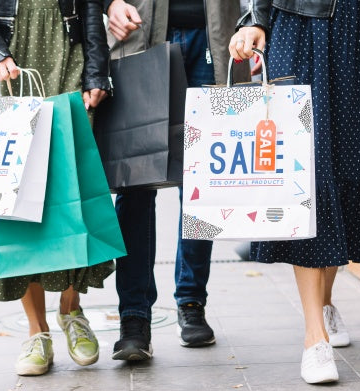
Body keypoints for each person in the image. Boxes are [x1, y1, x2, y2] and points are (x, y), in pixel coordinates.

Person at [230, 0, 360, 383]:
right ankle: (314, 337)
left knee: (348, 175)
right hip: (299, 32)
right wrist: (255, 20)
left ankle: (324, 303)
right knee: (307, 177)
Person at [0, 0, 113, 376]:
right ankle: (37, 332)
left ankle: (71, 310)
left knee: (71, 188)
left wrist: (98, 72)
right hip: (8, 57)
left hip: (67, 51)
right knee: (12, 194)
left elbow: (90, 7)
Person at [103, 0, 250, 360]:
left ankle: (191, 301)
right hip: (141, 35)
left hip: (215, 40)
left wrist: (253, 23)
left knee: (203, 183)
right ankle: (133, 319)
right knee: (134, 185)